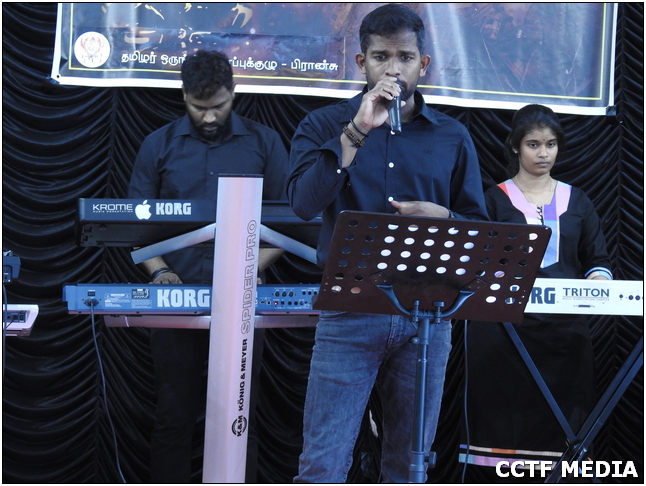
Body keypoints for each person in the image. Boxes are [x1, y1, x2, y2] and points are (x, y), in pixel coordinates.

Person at [287, 4, 488, 482]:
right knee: (322, 464)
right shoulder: (324, 124)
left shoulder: (453, 136)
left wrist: (444, 217)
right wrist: (357, 130)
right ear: (362, 62)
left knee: (408, 467)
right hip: (350, 311)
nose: (393, 70)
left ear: (424, 64)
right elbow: (303, 204)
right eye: (381, 57)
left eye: (405, 57)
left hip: (429, 315)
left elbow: (479, 231)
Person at [127, 49, 289, 483]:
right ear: (183, 96)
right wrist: (160, 272)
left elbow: (289, 223)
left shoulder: (265, 143)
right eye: (199, 108)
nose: (211, 117)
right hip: (175, 299)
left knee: (239, 415)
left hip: (242, 302)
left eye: (218, 105)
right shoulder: (158, 145)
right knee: (173, 413)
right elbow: (134, 226)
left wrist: (249, 267)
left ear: (234, 92)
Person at [458, 104, 613, 480]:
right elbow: (476, 264)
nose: (543, 153)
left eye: (550, 144)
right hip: (503, 335)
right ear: (515, 146)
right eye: (533, 144)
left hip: (565, 336)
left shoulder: (578, 200)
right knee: (502, 425)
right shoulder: (493, 199)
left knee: (564, 425)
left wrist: (599, 282)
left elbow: (597, 260)